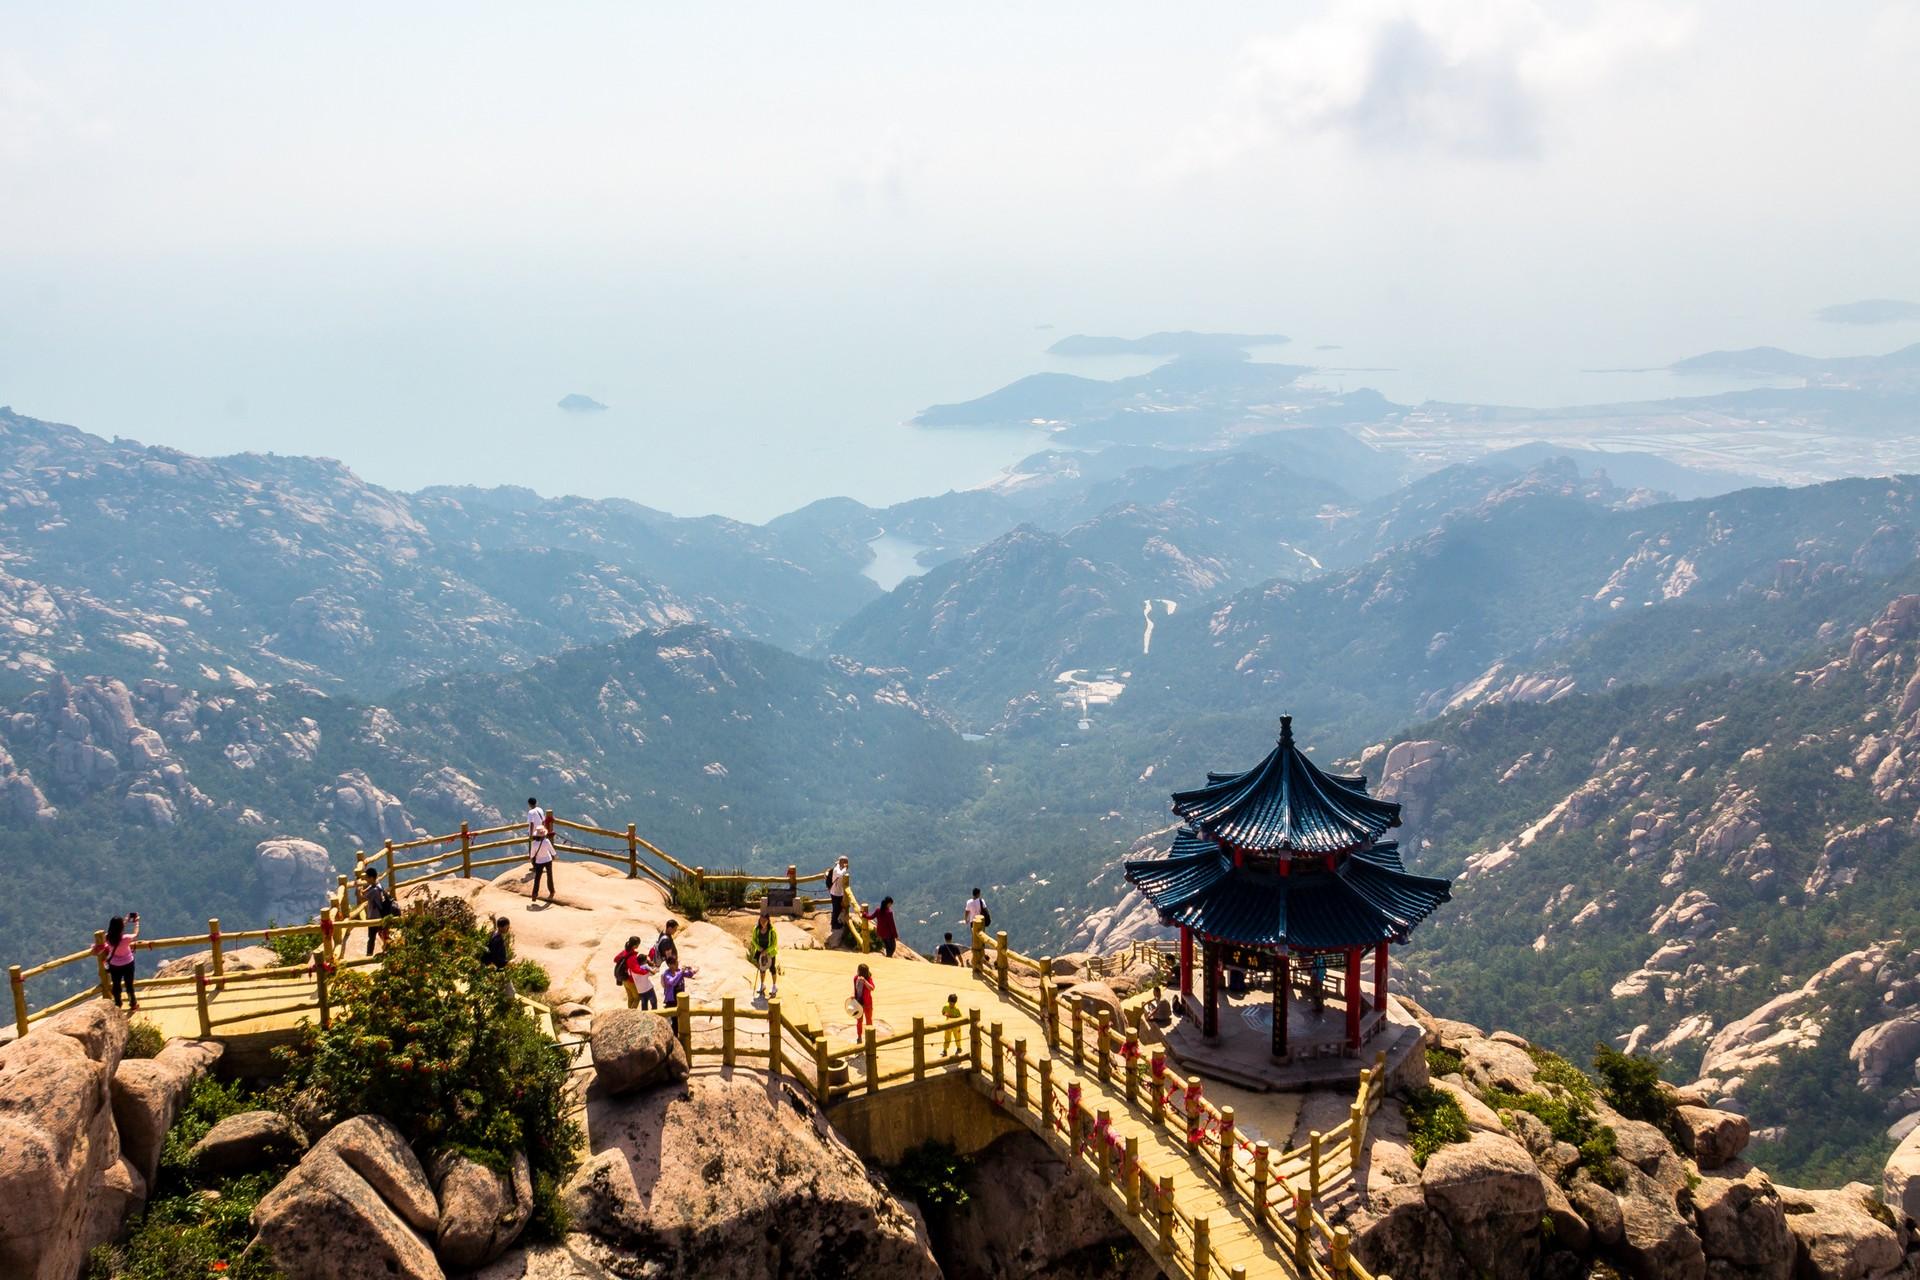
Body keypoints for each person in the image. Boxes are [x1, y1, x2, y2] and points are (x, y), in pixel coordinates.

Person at [93, 912, 140, 1011]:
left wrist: (126, 920)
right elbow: (135, 934)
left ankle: (118, 1004)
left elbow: (116, 930)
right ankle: (133, 1003)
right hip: (128, 963)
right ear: (121, 927)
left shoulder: (107, 938)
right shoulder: (126, 938)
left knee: (116, 985)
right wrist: (136, 923)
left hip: (115, 965)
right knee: (129, 985)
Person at [360, 870, 396, 955]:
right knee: (383, 934)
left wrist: (358, 889)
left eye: (367, 877)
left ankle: (369, 955)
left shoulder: (374, 891)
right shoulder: (378, 885)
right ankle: (390, 950)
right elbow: (369, 888)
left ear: (371, 878)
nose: (365, 879)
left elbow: (362, 898)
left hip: (374, 917)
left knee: (371, 937)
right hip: (381, 915)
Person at [527, 798, 556, 902]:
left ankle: (534, 894)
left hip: (539, 861)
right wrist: (554, 856)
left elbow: (532, 854)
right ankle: (552, 891)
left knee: (537, 879)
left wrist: (530, 834)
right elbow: (552, 851)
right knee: (549, 876)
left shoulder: (534, 844)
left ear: (529, 804)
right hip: (548, 860)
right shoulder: (547, 842)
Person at [616, 935, 656, 1010]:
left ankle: (629, 1012)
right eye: (638, 944)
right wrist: (647, 970)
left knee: (630, 998)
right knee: (637, 998)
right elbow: (637, 970)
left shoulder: (625, 952)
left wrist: (625, 966)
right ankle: (630, 1015)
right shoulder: (632, 956)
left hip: (624, 979)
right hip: (630, 980)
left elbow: (616, 959)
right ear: (635, 945)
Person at [748, 907, 780, 999]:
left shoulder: (772, 931)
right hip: (760, 952)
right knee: (762, 969)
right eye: (761, 920)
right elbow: (753, 940)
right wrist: (759, 948)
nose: (762, 922)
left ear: (768, 920)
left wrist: (767, 950)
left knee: (772, 969)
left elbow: (774, 944)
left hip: (770, 953)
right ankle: (762, 985)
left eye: (764, 920)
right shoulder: (756, 929)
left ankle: (774, 986)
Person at [852, 963, 876, 1040]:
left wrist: (865, 981)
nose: (857, 971)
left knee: (868, 1020)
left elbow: (872, 988)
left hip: (867, 1003)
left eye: (858, 970)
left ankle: (870, 1036)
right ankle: (859, 1036)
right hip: (858, 1003)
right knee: (859, 1021)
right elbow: (854, 989)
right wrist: (852, 994)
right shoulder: (856, 978)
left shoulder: (869, 979)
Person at [827, 856, 850, 930]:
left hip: (838, 892)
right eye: (845, 863)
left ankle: (834, 922)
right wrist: (845, 868)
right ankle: (834, 924)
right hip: (835, 893)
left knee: (838, 908)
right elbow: (840, 875)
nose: (847, 864)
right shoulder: (837, 869)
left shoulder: (839, 868)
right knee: (836, 909)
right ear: (842, 863)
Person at [940, 993, 964, 1057]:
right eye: (950, 1003)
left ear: (955, 1003)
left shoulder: (957, 1009)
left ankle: (959, 1048)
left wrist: (953, 1017)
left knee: (957, 1037)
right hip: (948, 1025)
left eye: (952, 1003)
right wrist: (945, 1014)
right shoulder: (946, 1007)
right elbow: (943, 1012)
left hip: (956, 1026)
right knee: (947, 1038)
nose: (951, 1005)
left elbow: (961, 1018)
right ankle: (945, 1050)